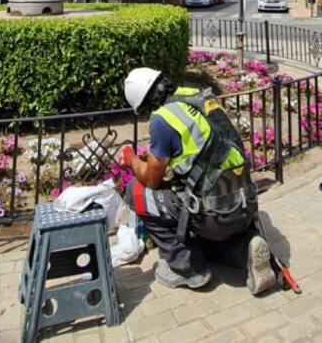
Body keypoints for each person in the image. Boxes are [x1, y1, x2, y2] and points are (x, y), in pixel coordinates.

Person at [119, 66, 277, 294]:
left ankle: (188, 268)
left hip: (211, 214)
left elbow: (151, 180)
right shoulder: (197, 95)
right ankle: (246, 247)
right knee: (208, 225)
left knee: (136, 191)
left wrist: (132, 159)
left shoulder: (163, 119)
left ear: (144, 105)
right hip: (243, 205)